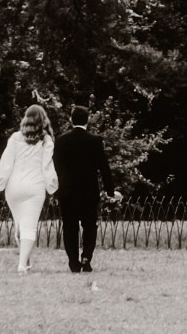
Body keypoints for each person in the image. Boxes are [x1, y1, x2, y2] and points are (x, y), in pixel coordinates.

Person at [0, 104, 58, 272]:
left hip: (14, 188)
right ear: (43, 120)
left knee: (20, 225)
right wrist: (53, 188)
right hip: (35, 187)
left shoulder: (15, 138)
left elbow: (6, 164)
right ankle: (21, 265)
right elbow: (47, 167)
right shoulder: (46, 140)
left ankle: (25, 262)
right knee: (29, 226)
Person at [51, 106, 116, 273]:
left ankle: (73, 261)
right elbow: (104, 168)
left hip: (67, 192)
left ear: (71, 119)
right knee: (90, 226)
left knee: (70, 226)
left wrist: (54, 190)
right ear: (88, 120)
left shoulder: (61, 140)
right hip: (89, 191)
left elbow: (55, 167)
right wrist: (110, 191)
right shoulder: (95, 140)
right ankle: (86, 257)